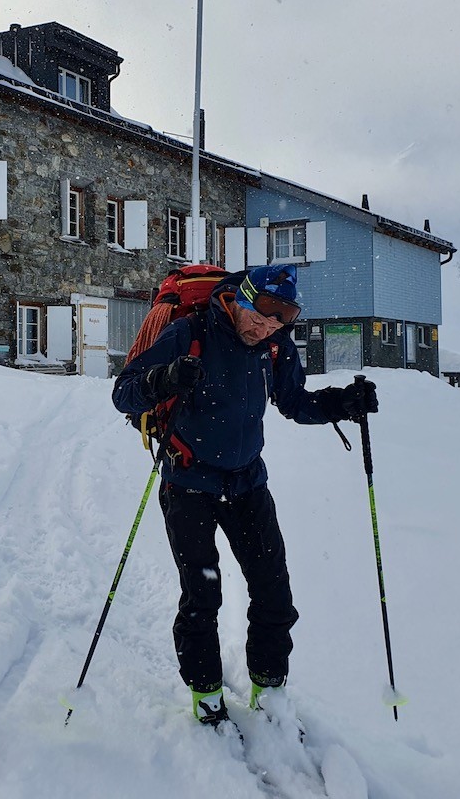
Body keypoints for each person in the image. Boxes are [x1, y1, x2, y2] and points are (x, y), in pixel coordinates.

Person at [112, 264, 378, 727]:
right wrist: (167, 378)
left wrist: (342, 403)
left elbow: (295, 403)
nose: (263, 328)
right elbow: (124, 394)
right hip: (188, 483)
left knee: (274, 593)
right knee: (202, 596)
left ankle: (268, 690)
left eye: (277, 323)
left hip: (247, 484)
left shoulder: (274, 347)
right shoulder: (188, 333)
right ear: (239, 299)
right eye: (259, 316)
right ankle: (206, 695)